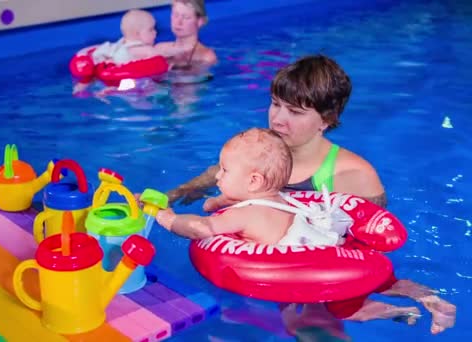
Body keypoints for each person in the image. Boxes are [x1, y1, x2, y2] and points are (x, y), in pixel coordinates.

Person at [166, 55, 455, 334]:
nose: (277, 119)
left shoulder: (351, 174)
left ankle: (426, 300)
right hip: (254, 261)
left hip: (318, 269)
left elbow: (366, 249)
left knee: (327, 317)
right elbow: (211, 178)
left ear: (325, 120)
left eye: (294, 112)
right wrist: (172, 195)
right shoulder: (261, 151)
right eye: (275, 104)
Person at [156, 128, 345, 247]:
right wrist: (218, 201)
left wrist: (166, 217)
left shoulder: (244, 215)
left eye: (225, 170)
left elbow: (200, 229)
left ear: (254, 181)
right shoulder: (279, 198)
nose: (217, 175)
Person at [72, 9, 185, 94]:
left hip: (106, 72)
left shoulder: (120, 45)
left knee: (95, 77)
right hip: (124, 79)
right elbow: (158, 62)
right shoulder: (145, 49)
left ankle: (82, 85)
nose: (155, 32)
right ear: (138, 34)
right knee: (148, 85)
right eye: (151, 29)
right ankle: (115, 89)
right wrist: (168, 65)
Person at [155, 0, 218, 70]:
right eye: (175, 15)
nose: (178, 22)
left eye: (186, 17)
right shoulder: (160, 48)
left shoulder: (206, 57)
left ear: (200, 22)